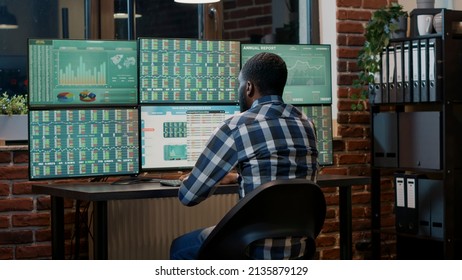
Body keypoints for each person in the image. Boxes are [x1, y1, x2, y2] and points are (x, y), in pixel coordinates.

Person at [170, 52, 319, 259]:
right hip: (300, 249)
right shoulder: (307, 124)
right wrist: (240, 177)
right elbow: (283, 180)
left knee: (180, 247)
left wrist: (190, 180)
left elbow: (189, 196)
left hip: (252, 250)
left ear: (248, 87)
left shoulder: (236, 126)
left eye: (240, 85)